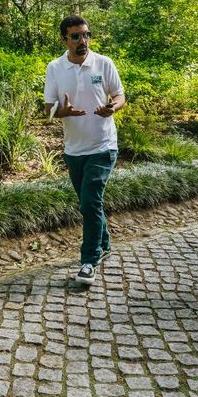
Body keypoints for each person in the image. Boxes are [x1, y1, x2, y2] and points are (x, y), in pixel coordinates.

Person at [44, 15, 126, 285]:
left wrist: (112, 107)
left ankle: (89, 261)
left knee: (91, 202)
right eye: (76, 36)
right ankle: (103, 242)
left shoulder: (103, 63)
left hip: (103, 146)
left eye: (86, 35)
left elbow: (119, 95)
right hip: (73, 149)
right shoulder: (55, 68)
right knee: (88, 205)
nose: (83, 41)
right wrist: (61, 112)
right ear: (64, 39)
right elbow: (48, 109)